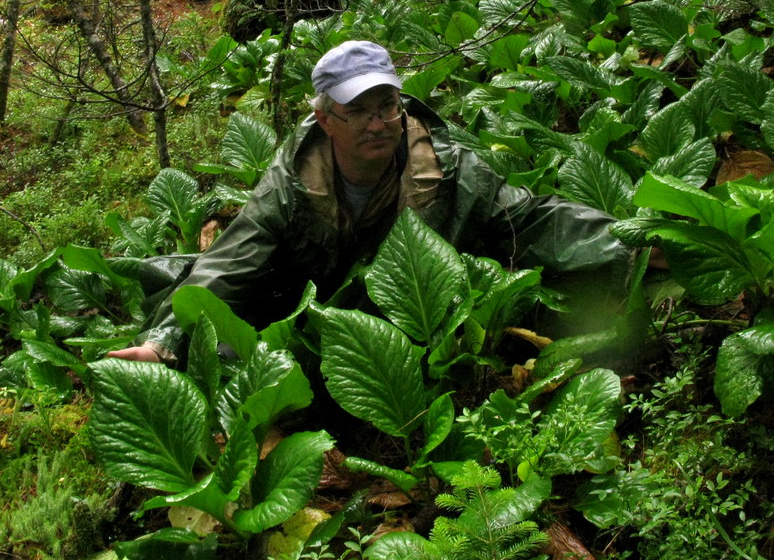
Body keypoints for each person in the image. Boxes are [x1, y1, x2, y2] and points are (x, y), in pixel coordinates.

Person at [109, 40, 638, 366]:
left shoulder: (449, 171)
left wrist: (634, 242)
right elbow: (229, 261)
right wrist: (163, 340)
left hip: (408, 331)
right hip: (310, 318)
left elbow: (530, 217)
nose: (378, 123)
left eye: (387, 105)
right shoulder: (291, 186)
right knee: (227, 351)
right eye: (358, 110)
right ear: (324, 120)